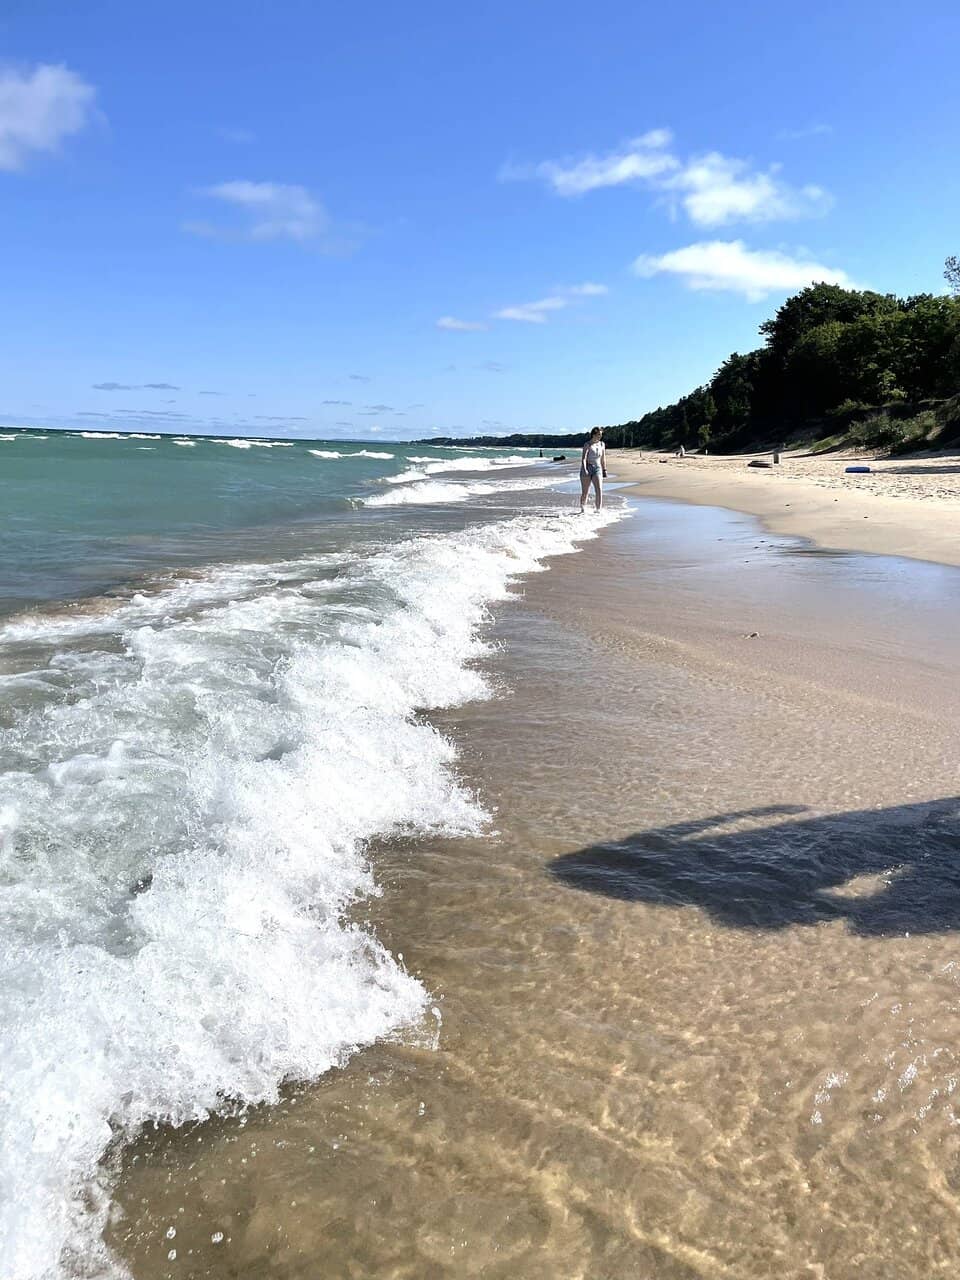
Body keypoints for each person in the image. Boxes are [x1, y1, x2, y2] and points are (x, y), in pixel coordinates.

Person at [579, 427, 606, 512]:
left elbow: (603, 458)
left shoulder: (602, 444)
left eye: (601, 435)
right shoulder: (587, 444)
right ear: (594, 435)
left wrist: (604, 469)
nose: (600, 436)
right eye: (599, 434)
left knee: (599, 490)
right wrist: (585, 469)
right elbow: (584, 458)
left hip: (597, 469)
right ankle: (583, 510)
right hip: (587, 468)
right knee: (585, 492)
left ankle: (598, 510)